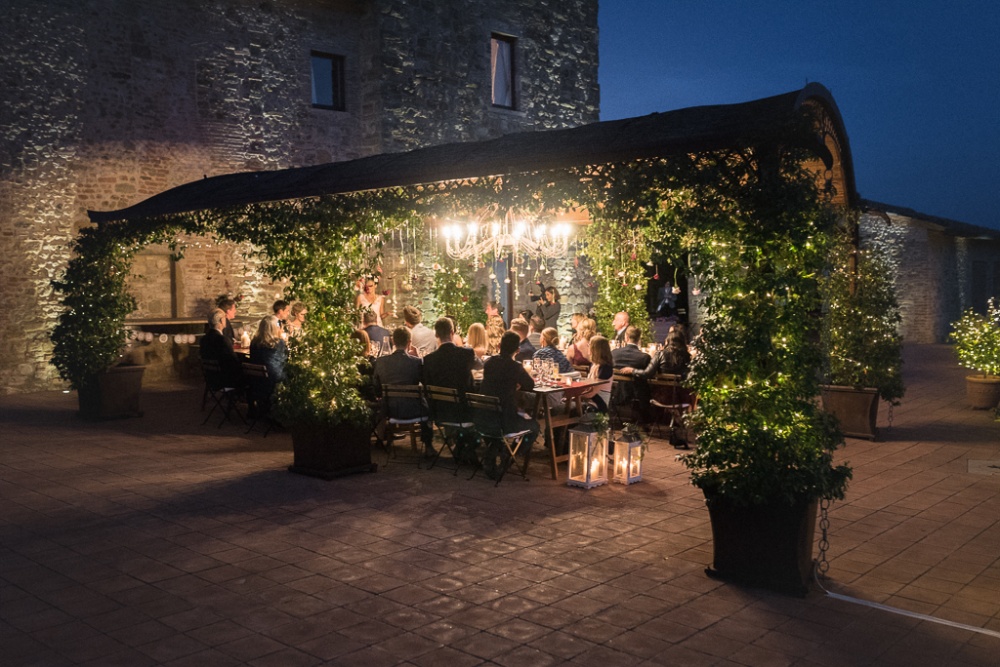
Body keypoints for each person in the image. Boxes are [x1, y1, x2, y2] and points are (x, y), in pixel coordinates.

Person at [480, 331, 540, 470]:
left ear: (499, 345)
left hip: (485, 416)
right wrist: (517, 384)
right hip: (505, 420)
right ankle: (509, 455)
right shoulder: (515, 367)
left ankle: (499, 449)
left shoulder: (489, 363)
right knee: (534, 427)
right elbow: (530, 385)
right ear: (518, 350)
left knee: (500, 423)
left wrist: (514, 384)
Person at [373, 326, 432, 451]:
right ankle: (428, 446)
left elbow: (377, 389)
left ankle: (382, 438)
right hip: (415, 410)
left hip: (389, 410)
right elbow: (426, 385)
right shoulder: (416, 362)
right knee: (428, 404)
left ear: (393, 341)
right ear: (409, 342)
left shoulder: (380, 361)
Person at [422, 317, 476, 424]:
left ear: (436, 335)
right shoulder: (467, 353)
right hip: (464, 411)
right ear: (452, 332)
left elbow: (426, 385)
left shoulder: (429, 359)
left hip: (440, 412)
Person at [611, 325, 652, 421]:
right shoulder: (644, 358)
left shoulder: (614, 353)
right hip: (637, 395)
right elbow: (649, 375)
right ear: (639, 338)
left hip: (616, 393)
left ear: (626, 337)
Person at [200, 308, 243, 388]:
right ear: (221, 321)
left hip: (211, 378)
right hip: (224, 379)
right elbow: (232, 360)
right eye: (224, 318)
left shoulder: (204, 339)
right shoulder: (222, 340)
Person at [625, 329, 692, 379]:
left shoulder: (661, 354)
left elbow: (647, 373)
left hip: (662, 393)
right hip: (682, 394)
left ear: (668, 341)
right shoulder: (687, 356)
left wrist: (633, 370)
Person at [249, 315, 288, 394]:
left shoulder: (254, 342)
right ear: (275, 328)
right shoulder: (278, 343)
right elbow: (284, 360)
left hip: (256, 380)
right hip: (274, 379)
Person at [580, 336, 614, 412]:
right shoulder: (594, 364)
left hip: (598, 405)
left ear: (595, 349)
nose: (587, 348)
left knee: (571, 410)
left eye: (589, 345)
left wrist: (576, 396)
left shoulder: (605, 368)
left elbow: (592, 393)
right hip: (589, 401)